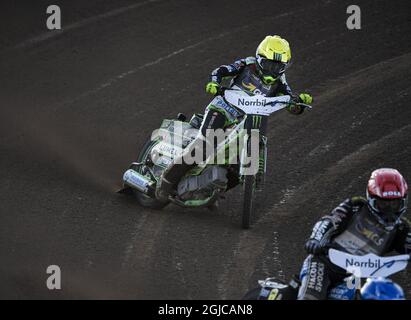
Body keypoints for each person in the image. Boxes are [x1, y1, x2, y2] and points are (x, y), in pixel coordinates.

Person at [157, 35, 313, 198]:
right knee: (203, 146)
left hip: (245, 120)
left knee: (236, 167)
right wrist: (214, 83)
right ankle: (165, 181)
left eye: (277, 67)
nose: (272, 70)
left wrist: (299, 103)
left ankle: (207, 191)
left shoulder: (280, 81)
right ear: (260, 59)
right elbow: (221, 70)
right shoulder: (247, 64)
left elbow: (290, 102)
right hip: (223, 109)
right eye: (269, 64)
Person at [298, 168, 410, 300]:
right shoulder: (355, 207)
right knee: (311, 297)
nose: (389, 212)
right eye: (384, 205)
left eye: (395, 204)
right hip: (323, 264)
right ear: (372, 199)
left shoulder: (401, 229)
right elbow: (330, 221)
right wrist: (315, 239)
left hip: (353, 276)